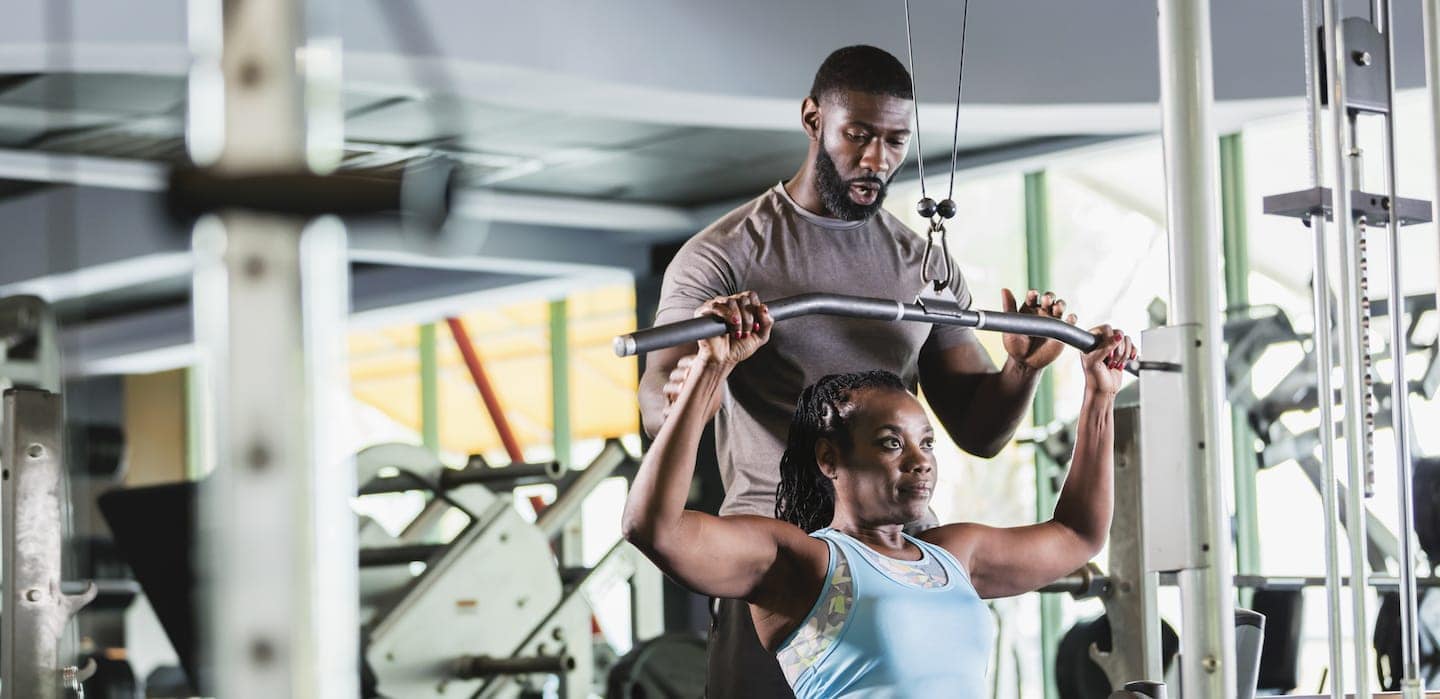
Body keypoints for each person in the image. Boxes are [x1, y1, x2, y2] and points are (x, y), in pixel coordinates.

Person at [639, 45, 1077, 696]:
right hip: (778, 565)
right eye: (859, 135)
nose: (877, 160)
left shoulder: (920, 264)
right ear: (814, 120)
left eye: (896, 140)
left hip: (896, 562)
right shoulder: (723, 256)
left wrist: (1020, 373)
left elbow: (980, 430)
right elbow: (656, 405)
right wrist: (701, 376)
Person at [624, 293, 1135, 698]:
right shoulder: (803, 565)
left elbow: (1077, 534)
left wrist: (1100, 395)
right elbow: (655, 529)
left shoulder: (954, 558)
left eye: (926, 442)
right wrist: (710, 370)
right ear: (829, 460)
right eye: (892, 443)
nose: (921, 460)